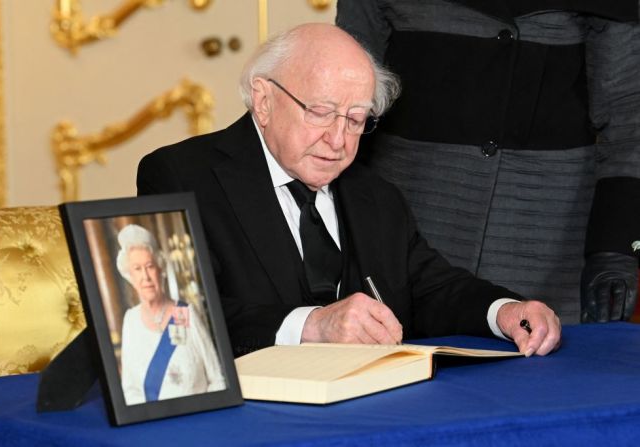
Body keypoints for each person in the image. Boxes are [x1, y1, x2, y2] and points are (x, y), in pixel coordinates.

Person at [137, 23, 561, 358]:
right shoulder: (181, 176)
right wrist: (313, 325)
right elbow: (177, 315)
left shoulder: (373, 193)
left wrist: (504, 311)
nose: (339, 141)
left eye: (356, 120)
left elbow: (430, 287)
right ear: (263, 100)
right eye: (321, 113)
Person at [336, 1, 640, 325]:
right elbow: (346, 96)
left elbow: (627, 116)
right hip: (410, 219)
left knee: (538, 363)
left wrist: (614, 247)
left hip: (546, 234)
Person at [116, 224, 226, 405]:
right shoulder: (130, 321)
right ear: (130, 277)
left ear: (161, 270)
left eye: (150, 266)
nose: (145, 276)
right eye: (137, 269)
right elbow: (130, 389)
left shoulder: (186, 312)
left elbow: (218, 378)